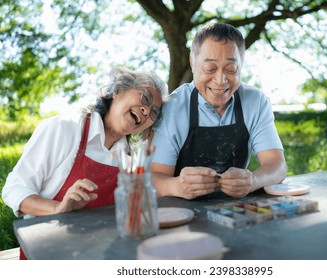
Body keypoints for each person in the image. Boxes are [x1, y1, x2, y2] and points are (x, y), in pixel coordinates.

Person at [2, 67, 167, 259]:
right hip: (47, 254)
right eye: (145, 98)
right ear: (118, 91)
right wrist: (57, 209)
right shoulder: (63, 129)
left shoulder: (128, 158)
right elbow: (13, 190)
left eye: (154, 112)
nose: (146, 111)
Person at [150, 23, 287, 200]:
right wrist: (176, 186)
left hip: (236, 208)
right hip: (182, 211)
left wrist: (253, 180)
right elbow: (154, 176)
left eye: (231, 69)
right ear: (193, 62)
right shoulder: (171, 107)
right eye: (210, 68)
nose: (220, 80)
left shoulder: (256, 102)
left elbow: (276, 164)